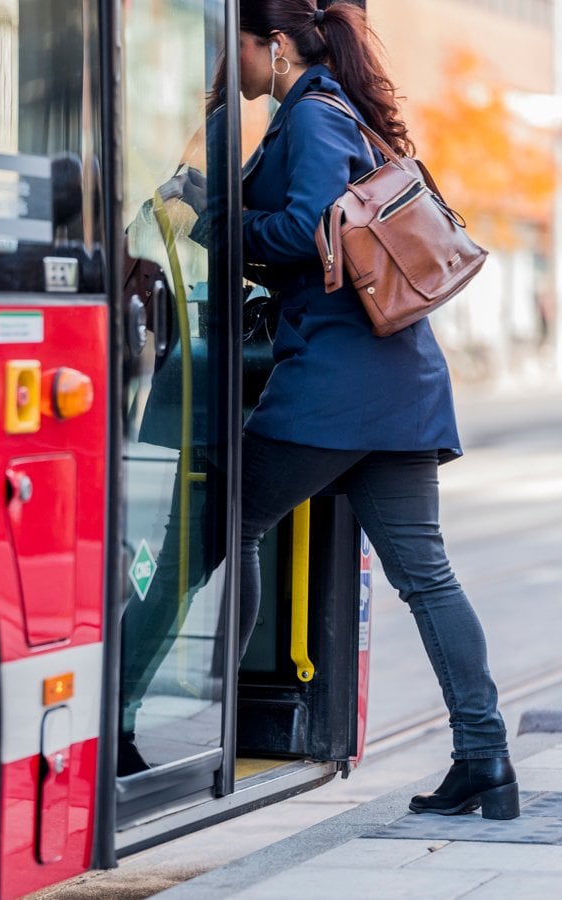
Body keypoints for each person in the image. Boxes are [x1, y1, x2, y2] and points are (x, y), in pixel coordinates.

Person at [234, 0, 516, 818]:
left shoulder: (313, 118)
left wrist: (221, 220)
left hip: (334, 389)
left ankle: (153, 716)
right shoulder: (347, 111)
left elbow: (309, 227)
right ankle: (486, 758)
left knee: (223, 527)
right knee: (427, 577)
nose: (232, 66)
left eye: (239, 48)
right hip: (401, 385)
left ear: (275, 46)